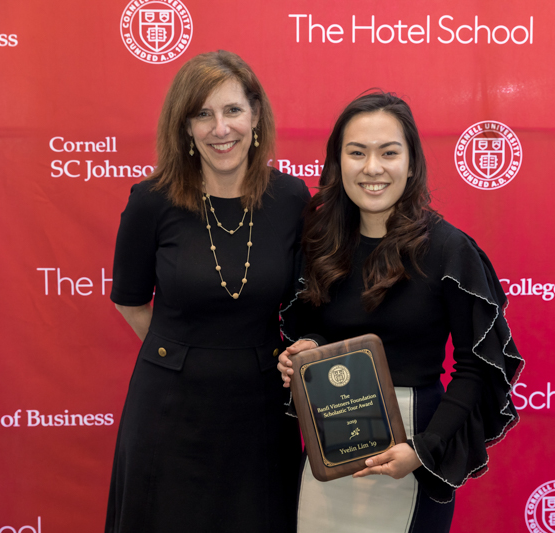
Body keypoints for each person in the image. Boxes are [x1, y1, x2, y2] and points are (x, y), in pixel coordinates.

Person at [278, 91, 523, 532]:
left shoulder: (448, 250)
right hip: (329, 448)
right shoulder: (320, 243)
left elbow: (475, 368)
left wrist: (424, 449)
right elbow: (312, 323)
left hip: (407, 452)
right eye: (357, 153)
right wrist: (304, 351)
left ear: (411, 163)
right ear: (338, 164)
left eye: (389, 152)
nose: (372, 168)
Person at [106, 50, 309, 533]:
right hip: (169, 407)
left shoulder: (291, 199)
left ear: (255, 115)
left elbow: (306, 304)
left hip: (262, 406)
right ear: (186, 126)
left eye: (233, 110)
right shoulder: (151, 200)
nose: (221, 129)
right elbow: (130, 300)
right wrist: (182, 354)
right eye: (203, 114)